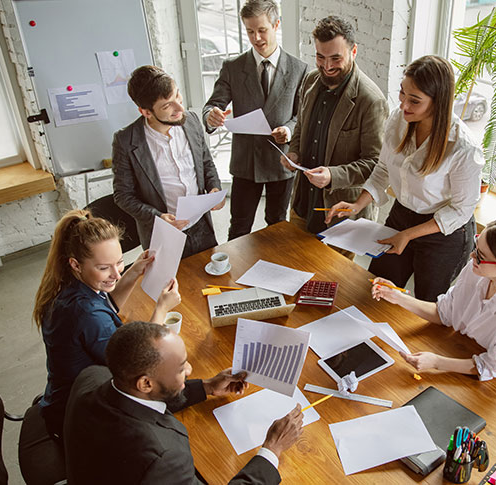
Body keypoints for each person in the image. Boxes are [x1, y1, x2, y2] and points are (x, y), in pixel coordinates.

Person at [63, 322, 303, 484]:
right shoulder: (164, 458)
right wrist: (272, 449)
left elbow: (137, 399)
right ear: (146, 383)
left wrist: (206, 387)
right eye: (180, 369)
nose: (189, 370)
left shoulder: (93, 376)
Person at [327, 55, 484, 300]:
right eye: (402, 94)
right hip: (402, 216)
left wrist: (409, 235)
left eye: (414, 100)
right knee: (376, 288)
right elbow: (383, 169)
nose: (404, 106)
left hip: (443, 233)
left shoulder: (463, 148)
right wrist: (358, 204)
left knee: (425, 304)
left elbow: (461, 210)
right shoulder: (398, 121)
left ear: (438, 102)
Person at [33, 209, 181, 439]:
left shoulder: (73, 286)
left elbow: (107, 304)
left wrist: (133, 271)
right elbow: (138, 362)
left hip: (63, 397)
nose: (116, 274)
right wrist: (161, 308)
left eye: (119, 262)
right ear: (75, 264)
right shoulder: (86, 314)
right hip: (75, 417)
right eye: (104, 268)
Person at [371, 218, 496, 381]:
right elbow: (444, 313)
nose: (472, 256)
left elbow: (492, 367)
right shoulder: (477, 268)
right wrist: (398, 297)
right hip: (470, 351)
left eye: (481, 256)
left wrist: (436, 363)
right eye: (476, 247)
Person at [203, 0, 307, 241]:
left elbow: (301, 115)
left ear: (276, 25)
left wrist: (289, 130)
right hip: (245, 164)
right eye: (250, 31)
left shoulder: (299, 69)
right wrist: (211, 115)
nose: (256, 38)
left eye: (262, 30)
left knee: (278, 226)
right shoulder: (232, 67)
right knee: (239, 227)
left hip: (280, 161)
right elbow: (212, 105)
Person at [282, 16, 388, 251]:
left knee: (332, 285)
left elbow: (376, 165)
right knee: (297, 268)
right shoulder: (310, 80)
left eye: (336, 58)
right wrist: (295, 152)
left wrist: (333, 175)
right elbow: (301, 125)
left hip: (342, 215)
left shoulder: (371, 100)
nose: (327, 67)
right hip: (302, 204)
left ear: (354, 51)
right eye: (320, 57)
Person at [113, 65, 224, 257]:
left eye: (177, 96)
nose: (180, 108)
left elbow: (206, 162)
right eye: (167, 106)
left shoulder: (192, 121)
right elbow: (123, 196)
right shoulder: (125, 141)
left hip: (202, 226)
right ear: (146, 112)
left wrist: (214, 187)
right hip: (163, 234)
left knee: (212, 282)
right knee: (172, 285)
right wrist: (157, 217)